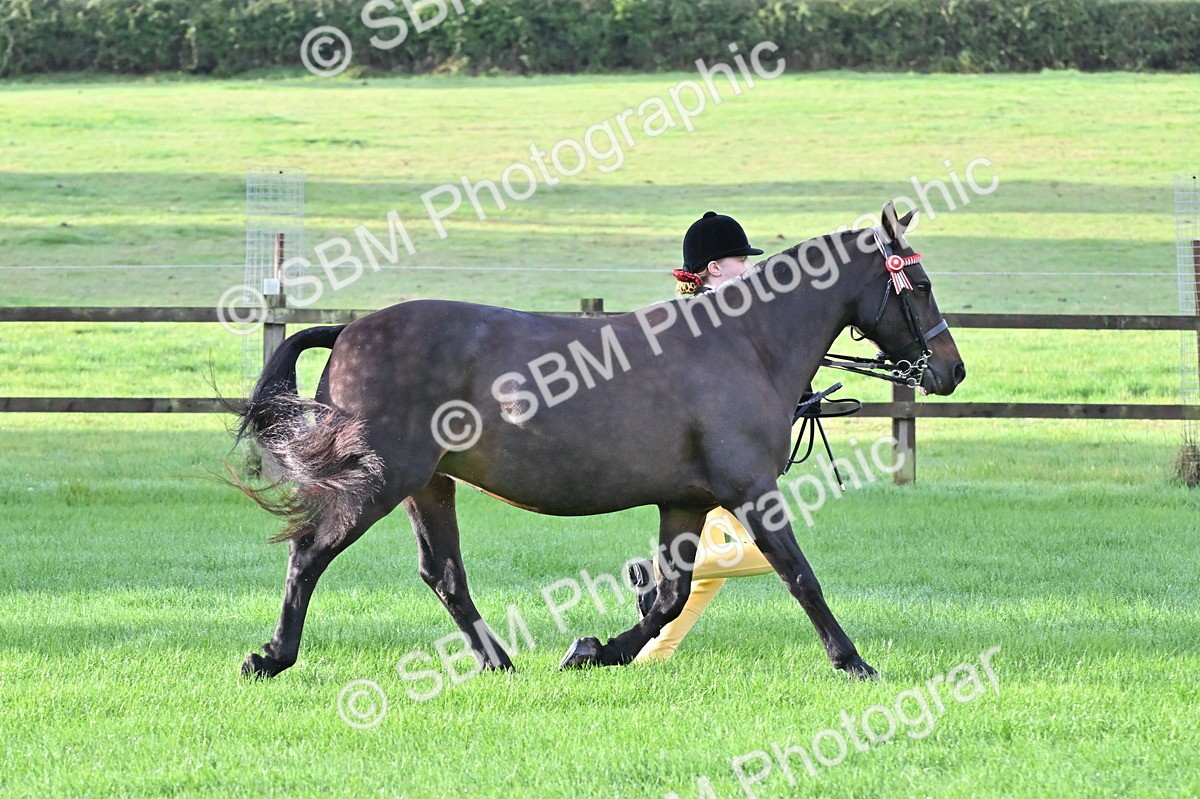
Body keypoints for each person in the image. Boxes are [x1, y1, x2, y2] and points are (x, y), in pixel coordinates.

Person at [628, 211, 779, 662]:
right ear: (715, 269)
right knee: (772, 551)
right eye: (741, 261)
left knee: (710, 568)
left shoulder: (697, 313)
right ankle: (660, 577)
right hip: (717, 463)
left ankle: (655, 655)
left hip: (697, 464)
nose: (749, 269)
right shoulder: (722, 320)